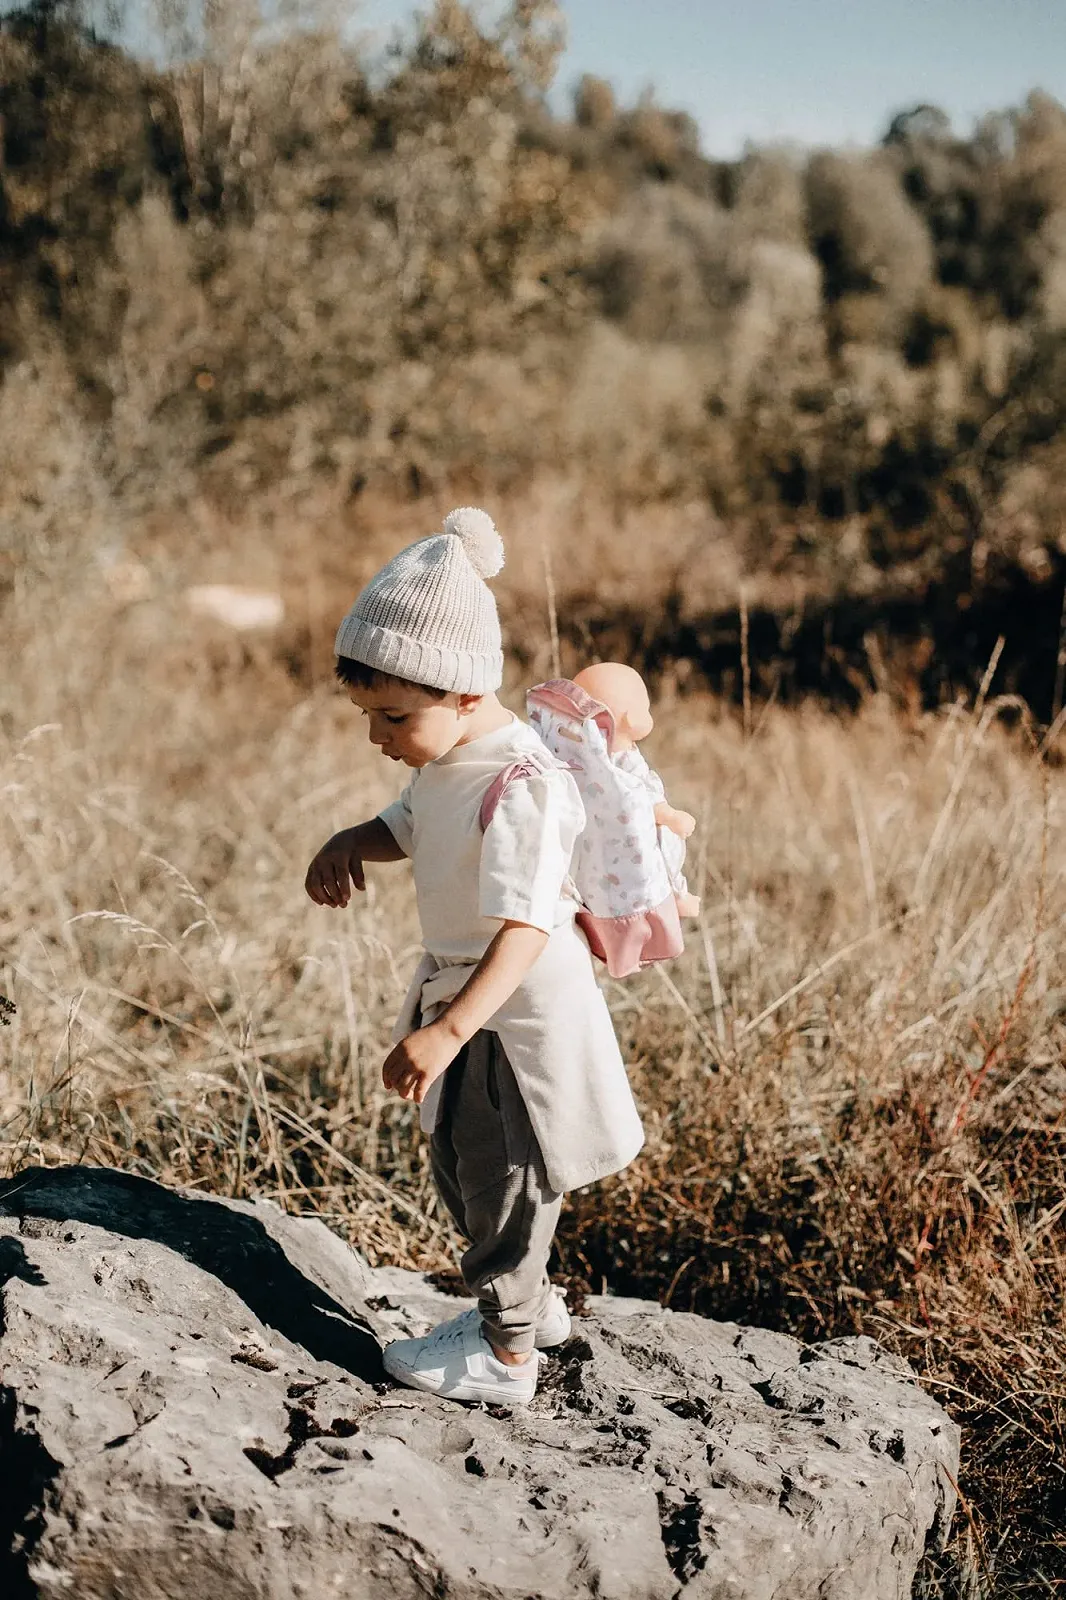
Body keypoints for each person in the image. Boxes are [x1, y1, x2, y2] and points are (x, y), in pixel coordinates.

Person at [305, 507, 644, 1406]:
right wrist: (351, 840)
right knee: (460, 1165)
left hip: (510, 1018)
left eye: (392, 716)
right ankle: (534, 1305)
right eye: (368, 714)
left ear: (460, 693)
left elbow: (528, 928)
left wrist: (450, 1030)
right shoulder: (449, 761)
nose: (377, 736)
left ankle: (507, 1353)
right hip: (466, 1004)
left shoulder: (522, 783)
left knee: (503, 1177)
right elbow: (411, 824)